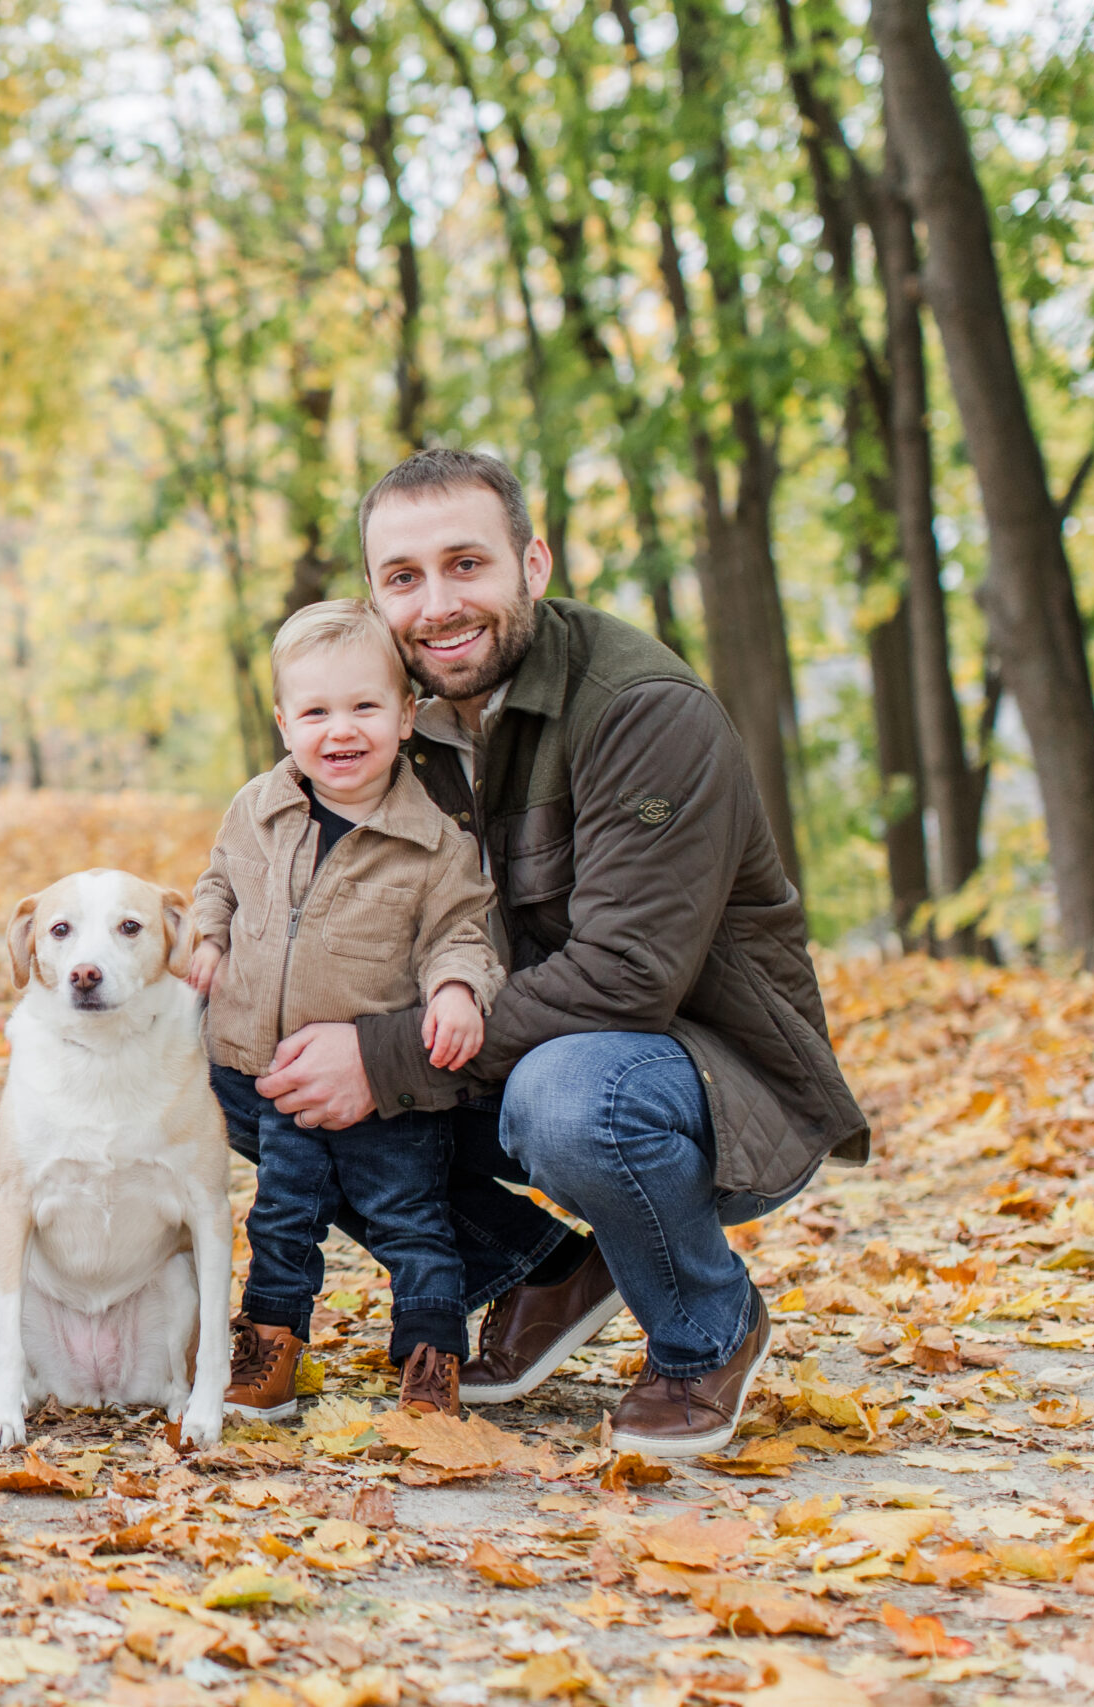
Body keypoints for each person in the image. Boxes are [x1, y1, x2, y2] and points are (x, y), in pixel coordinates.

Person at [239, 447, 869, 1456]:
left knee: (569, 1097)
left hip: (696, 1077)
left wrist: (383, 1056)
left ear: (533, 564)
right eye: (403, 578)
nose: (438, 604)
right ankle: (544, 1268)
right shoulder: (386, 725)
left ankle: (704, 1328)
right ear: (375, 596)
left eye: (466, 564)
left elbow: (626, 977)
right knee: (240, 1046)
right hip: (500, 1048)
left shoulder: (641, 711)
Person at [187, 600, 503, 1421]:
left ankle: (431, 1358)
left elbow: (461, 933)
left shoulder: (434, 841)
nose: (341, 730)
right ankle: (270, 1347)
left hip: (385, 1091)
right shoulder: (258, 808)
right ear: (284, 722)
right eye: (316, 712)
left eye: (365, 706)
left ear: (406, 716)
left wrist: (456, 989)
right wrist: (209, 937)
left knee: (412, 1223)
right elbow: (219, 881)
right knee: (280, 1219)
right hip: (282, 1074)